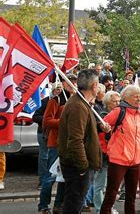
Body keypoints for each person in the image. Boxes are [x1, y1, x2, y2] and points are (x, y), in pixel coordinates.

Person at [57, 69, 104, 214]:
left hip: (77, 165)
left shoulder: (81, 103)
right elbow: (75, 140)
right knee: (73, 205)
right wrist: (83, 167)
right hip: (77, 166)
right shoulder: (78, 106)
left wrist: (99, 126)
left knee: (74, 202)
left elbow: (84, 130)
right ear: (95, 85)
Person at [100, 85, 140, 214]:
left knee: (131, 196)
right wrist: (106, 148)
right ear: (127, 97)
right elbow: (101, 127)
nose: (139, 99)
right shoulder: (119, 111)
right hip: (118, 159)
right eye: (136, 96)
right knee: (111, 194)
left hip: (135, 160)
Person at [39, 75, 77, 214]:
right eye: (70, 83)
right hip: (56, 143)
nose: (73, 85)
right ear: (63, 84)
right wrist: (64, 122)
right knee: (51, 177)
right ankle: (43, 206)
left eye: (74, 82)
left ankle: (58, 205)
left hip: (69, 144)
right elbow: (47, 121)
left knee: (64, 177)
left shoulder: (75, 101)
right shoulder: (56, 100)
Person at [93, 91, 121, 214]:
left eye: (119, 101)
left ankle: (108, 208)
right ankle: (100, 209)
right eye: (115, 101)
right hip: (104, 154)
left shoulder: (119, 114)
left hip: (115, 154)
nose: (118, 103)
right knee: (100, 185)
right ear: (107, 102)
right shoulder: (102, 115)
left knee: (113, 185)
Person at [33, 82, 63, 190]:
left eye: (61, 89)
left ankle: (50, 181)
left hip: (55, 134)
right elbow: (35, 117)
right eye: (57, 89)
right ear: (53, 90)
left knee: (52, 160)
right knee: (44, 158)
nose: (59, 91)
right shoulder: (45, 101)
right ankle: (42, 181)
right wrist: (47, 119)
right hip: (44, 133)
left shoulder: (62, 102)